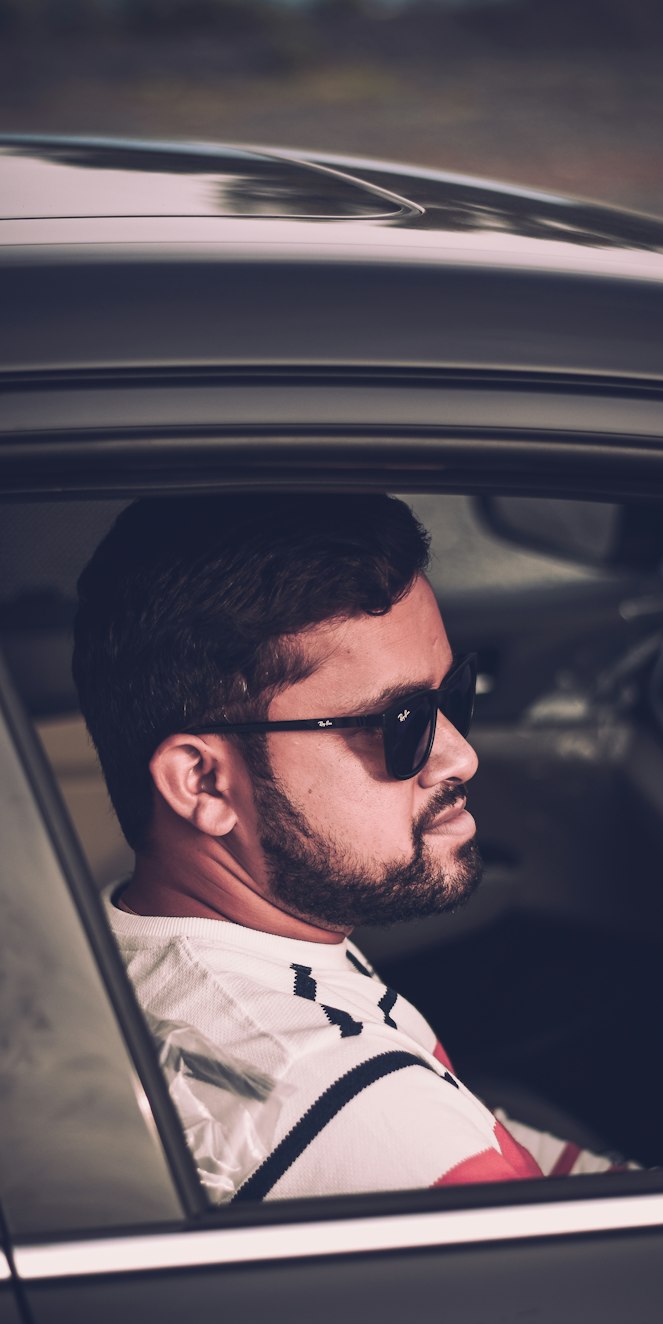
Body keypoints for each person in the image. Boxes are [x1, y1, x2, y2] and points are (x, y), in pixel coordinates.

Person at [73, 492, 624, 1202]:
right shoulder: (361, 1113)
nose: (459, 757)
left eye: (453, 696)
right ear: (204, 782)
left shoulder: (127, 938)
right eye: (401, 723)